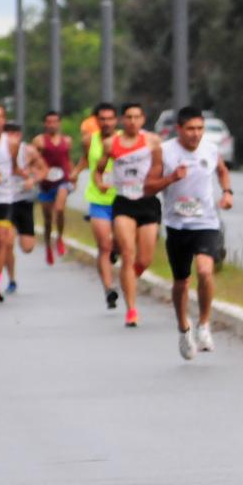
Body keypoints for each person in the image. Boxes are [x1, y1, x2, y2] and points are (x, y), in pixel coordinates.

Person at [154, 106, 233, 359]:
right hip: (177, 226)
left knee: (205, 271)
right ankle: (183, 329)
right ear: (179, 129)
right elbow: (148, 185)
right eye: (190, 129)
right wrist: (170, 179)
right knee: (181, 281)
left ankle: (203, 324)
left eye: (200, 129)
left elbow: (221, 170)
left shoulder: (210, 149)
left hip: (206, 222)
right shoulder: (165, 152)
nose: (196, 134)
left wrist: (227, 192)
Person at [96, 103, 164, 327]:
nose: (133, 121)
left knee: (144, 259)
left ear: (143, 119)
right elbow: (98, 169)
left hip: (147, 202)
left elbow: (159, 167)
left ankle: (128, 280)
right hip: (124, 202)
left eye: (137, 116)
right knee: (128, 252)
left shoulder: (152, 141)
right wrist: (101, 184)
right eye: (128, 117)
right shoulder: (110, 143)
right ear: (122, 120)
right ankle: (131, 310)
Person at [0, 107, 43, 300]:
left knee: (5, 242)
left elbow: (14, 167)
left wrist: (30, 177)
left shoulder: (14, 146)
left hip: (7, 199)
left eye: (0, 117)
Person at [74, 102, 121, 309]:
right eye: (102, 119)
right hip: (98, 199)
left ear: (116, 120)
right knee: (103, 246)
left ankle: (115, 251)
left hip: (122, 199)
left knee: (118, 244)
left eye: (110, 118)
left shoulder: (123, 139)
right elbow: (85, 160)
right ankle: (109, 289)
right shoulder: (89, 140)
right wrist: (75, 174)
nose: (107, 122)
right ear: (96, 121)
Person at [32, 111, 74, 265]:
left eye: (55, 121)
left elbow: (67, 159)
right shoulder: (39, 141)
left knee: (60, 209)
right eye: (49, 122)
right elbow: (32, 159)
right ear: (45, 124)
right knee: (48, 219)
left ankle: (60, 238)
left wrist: (73, 175)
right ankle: (48, 246)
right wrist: (37, 174)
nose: (52, 125)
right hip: (45, 182)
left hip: (62, 180)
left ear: (59, 123)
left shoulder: (67, 141)